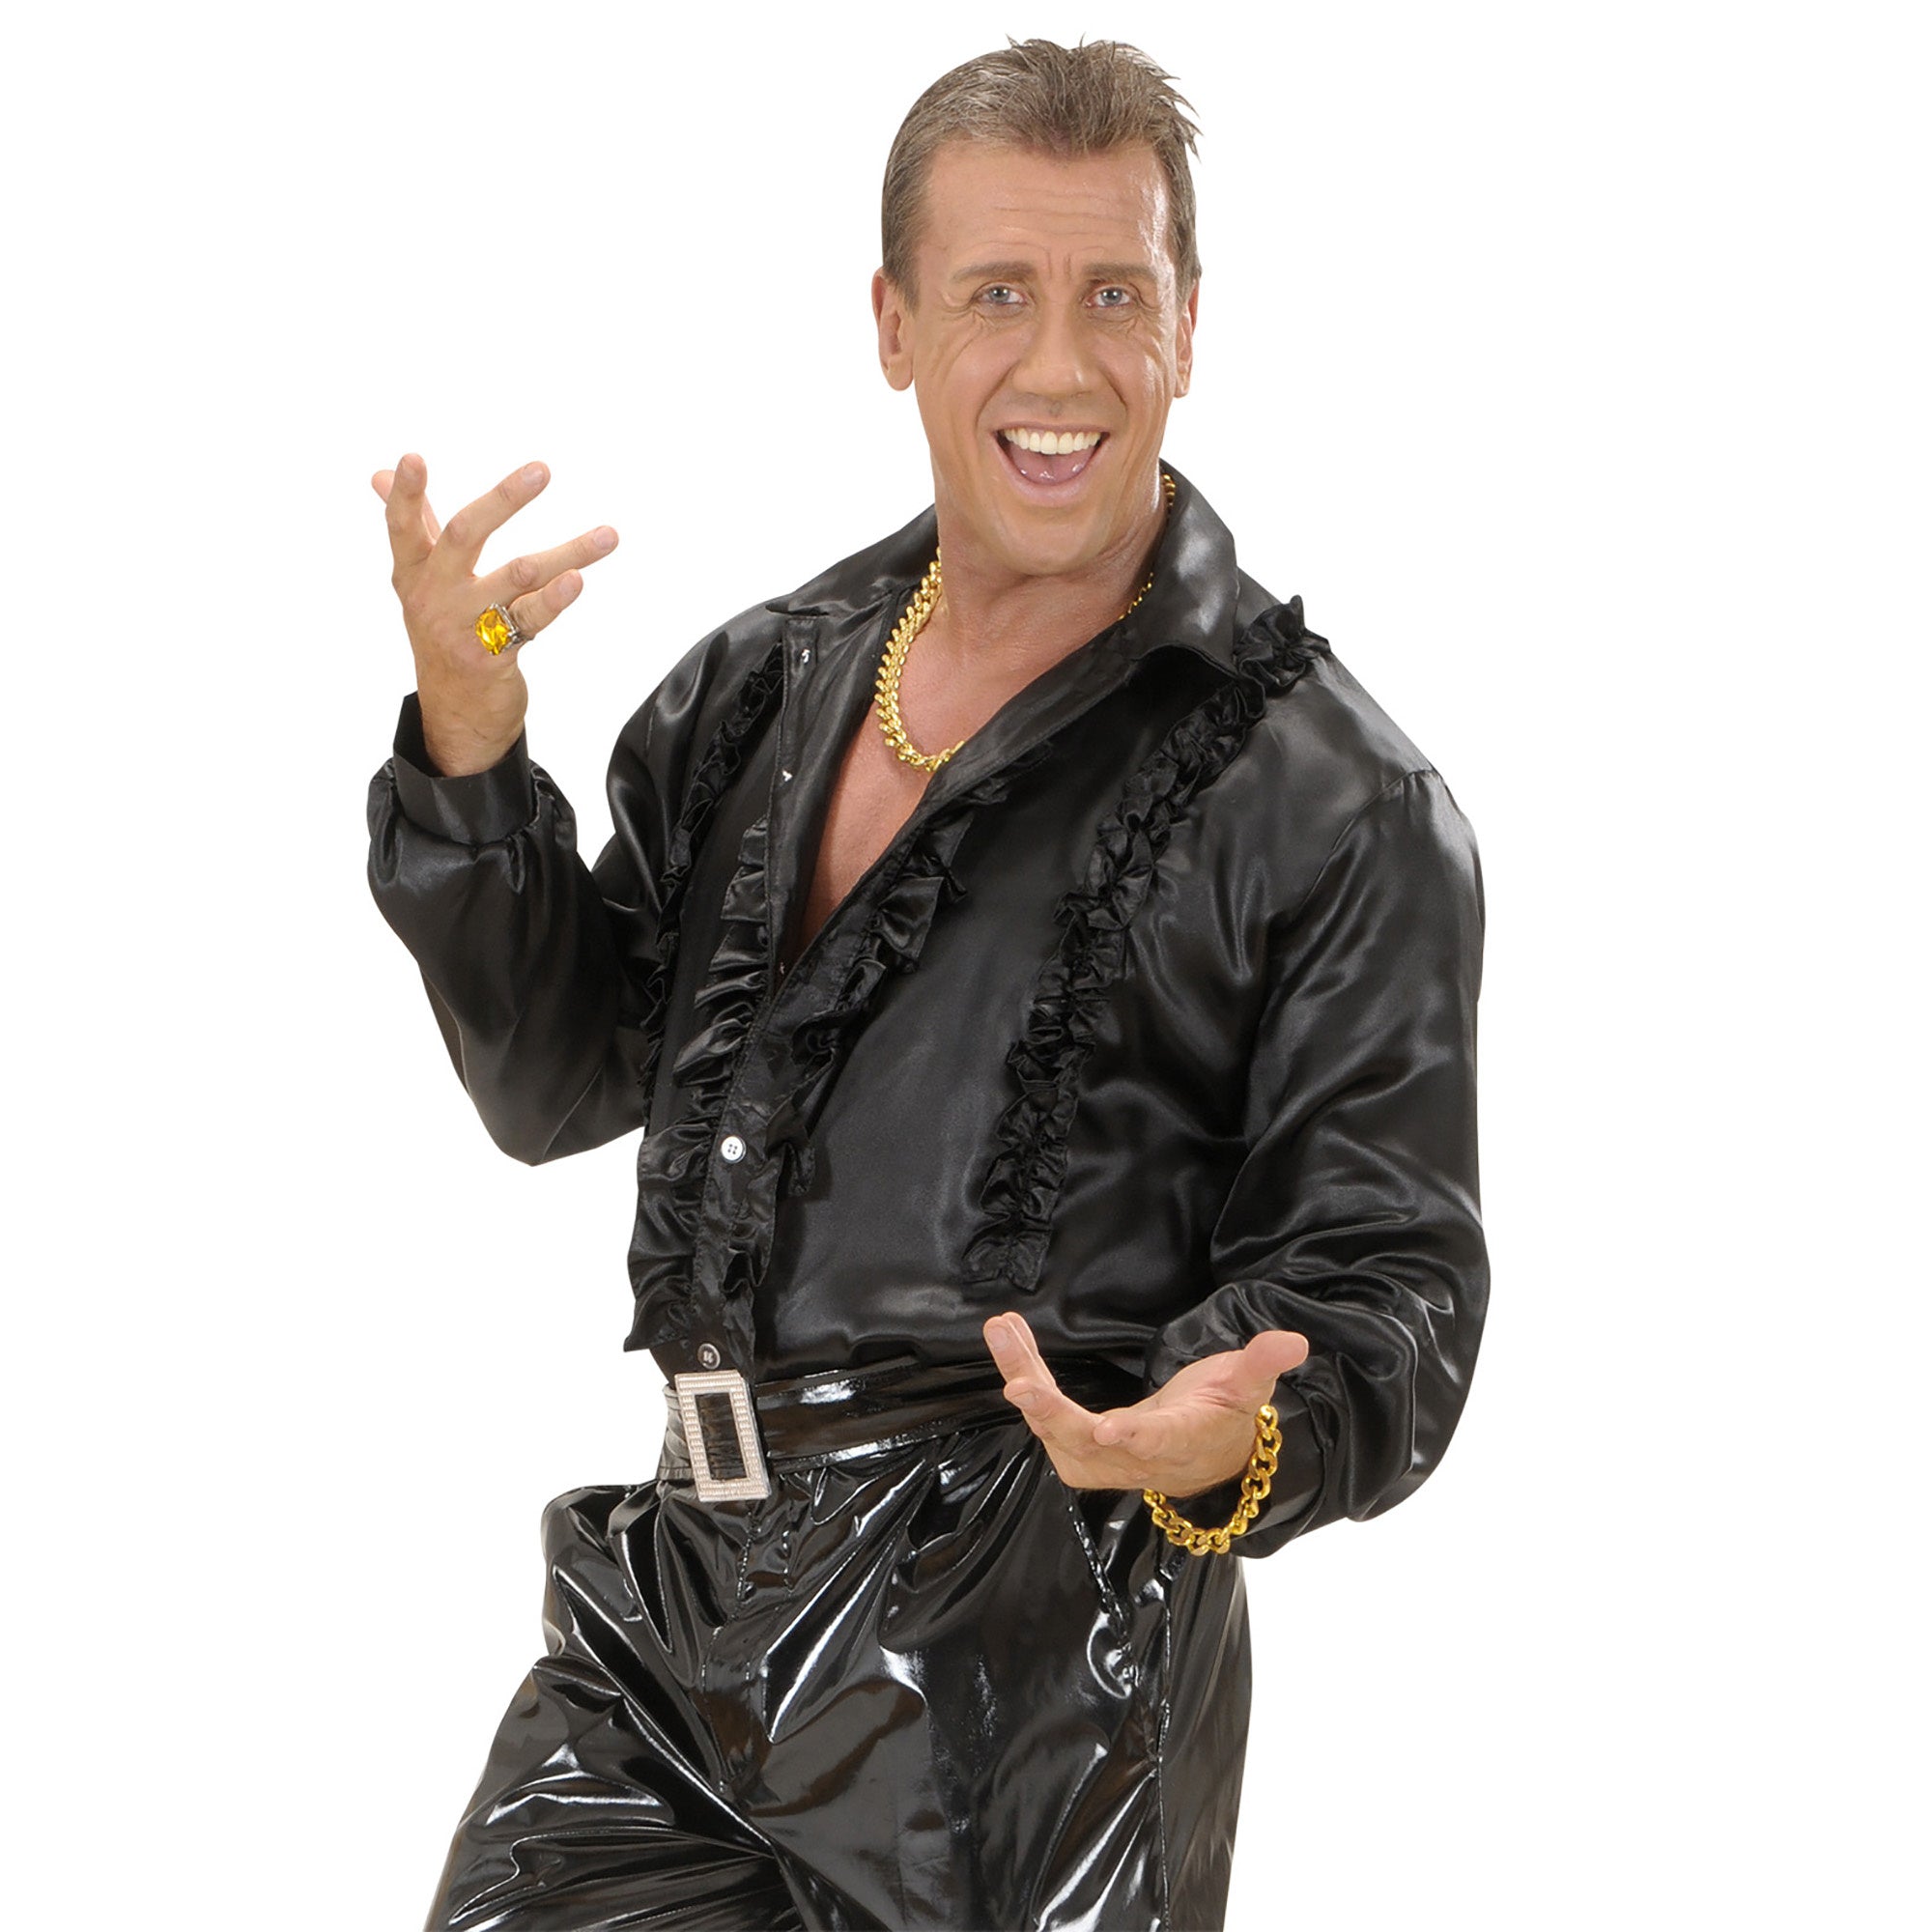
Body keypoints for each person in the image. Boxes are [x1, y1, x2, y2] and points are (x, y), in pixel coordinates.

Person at [367, 38, 1486, 1932]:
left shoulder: (1331, 799)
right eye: (995, 295)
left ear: (1189, 327)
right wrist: (473, 758)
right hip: (672, 1612)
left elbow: (1393, 1281)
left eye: (1114, 294)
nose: (1059, 365)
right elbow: (558, 1078)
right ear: (893, 326)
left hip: (1028, 1650)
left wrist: (1242, 1433)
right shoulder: (765, 684)